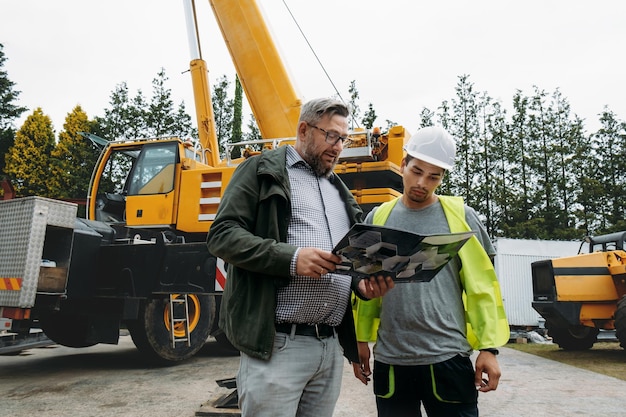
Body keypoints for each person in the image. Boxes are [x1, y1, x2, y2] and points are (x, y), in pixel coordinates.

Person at [207, 97, 394, 417]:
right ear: (304, 130)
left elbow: (348, 264)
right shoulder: (261, 171)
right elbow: (222, 235)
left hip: (329, 348)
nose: (338, 147)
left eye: (343, 139)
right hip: (278, 346)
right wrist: (290, 258)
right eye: (331, 136)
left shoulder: (341, 193)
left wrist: (362, 285)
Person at [352, 126, 509, 417]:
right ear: (403, 165)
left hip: (447, 357)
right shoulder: (378, 217)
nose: (422, 182)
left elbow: (484, 286)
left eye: (434, 176)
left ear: (442, 178)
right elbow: (366, 283)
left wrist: (490, 349)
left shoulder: (462, 217)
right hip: (391, 360)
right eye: (417, 171)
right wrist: (360, 340)